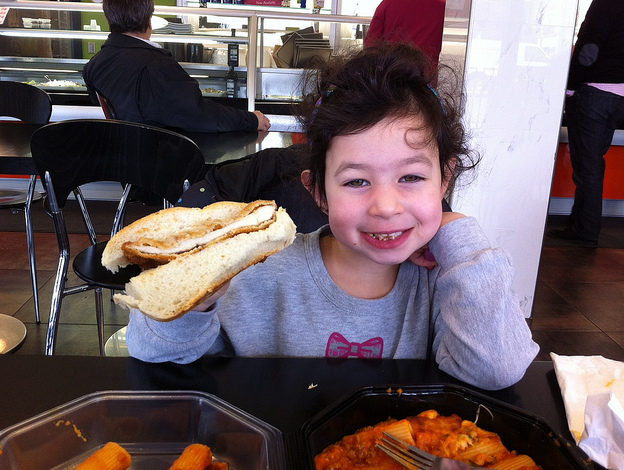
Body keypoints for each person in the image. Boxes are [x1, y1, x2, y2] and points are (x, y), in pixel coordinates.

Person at [126, 43, 539, 391]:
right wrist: (198, 297)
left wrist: (457, 232)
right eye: (357, 181)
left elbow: (497, 369)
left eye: (412, 177)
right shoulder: (259, 274)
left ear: (445, 180)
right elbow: (154, 353)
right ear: (319, 192)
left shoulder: (447, 284)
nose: (386, 206)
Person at [82, 0, 271, 133]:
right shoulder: (157, 66)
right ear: (149, 20)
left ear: (108, 18)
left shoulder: (93, 66)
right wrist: (251, 120)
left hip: (126, 160)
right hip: (160, 164)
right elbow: (200, 114)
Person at [547, 0, 624, 247]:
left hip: (595, 94)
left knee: (588, 167)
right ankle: (579, 224)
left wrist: (570, 89)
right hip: (619, 99)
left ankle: (586, 229)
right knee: (593, 163)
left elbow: (588, 48)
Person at [364, 0, 446, 74]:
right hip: (426, 76)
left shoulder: (388, 3)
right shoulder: (443, 7)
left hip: (392, 74)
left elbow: (371, 46)